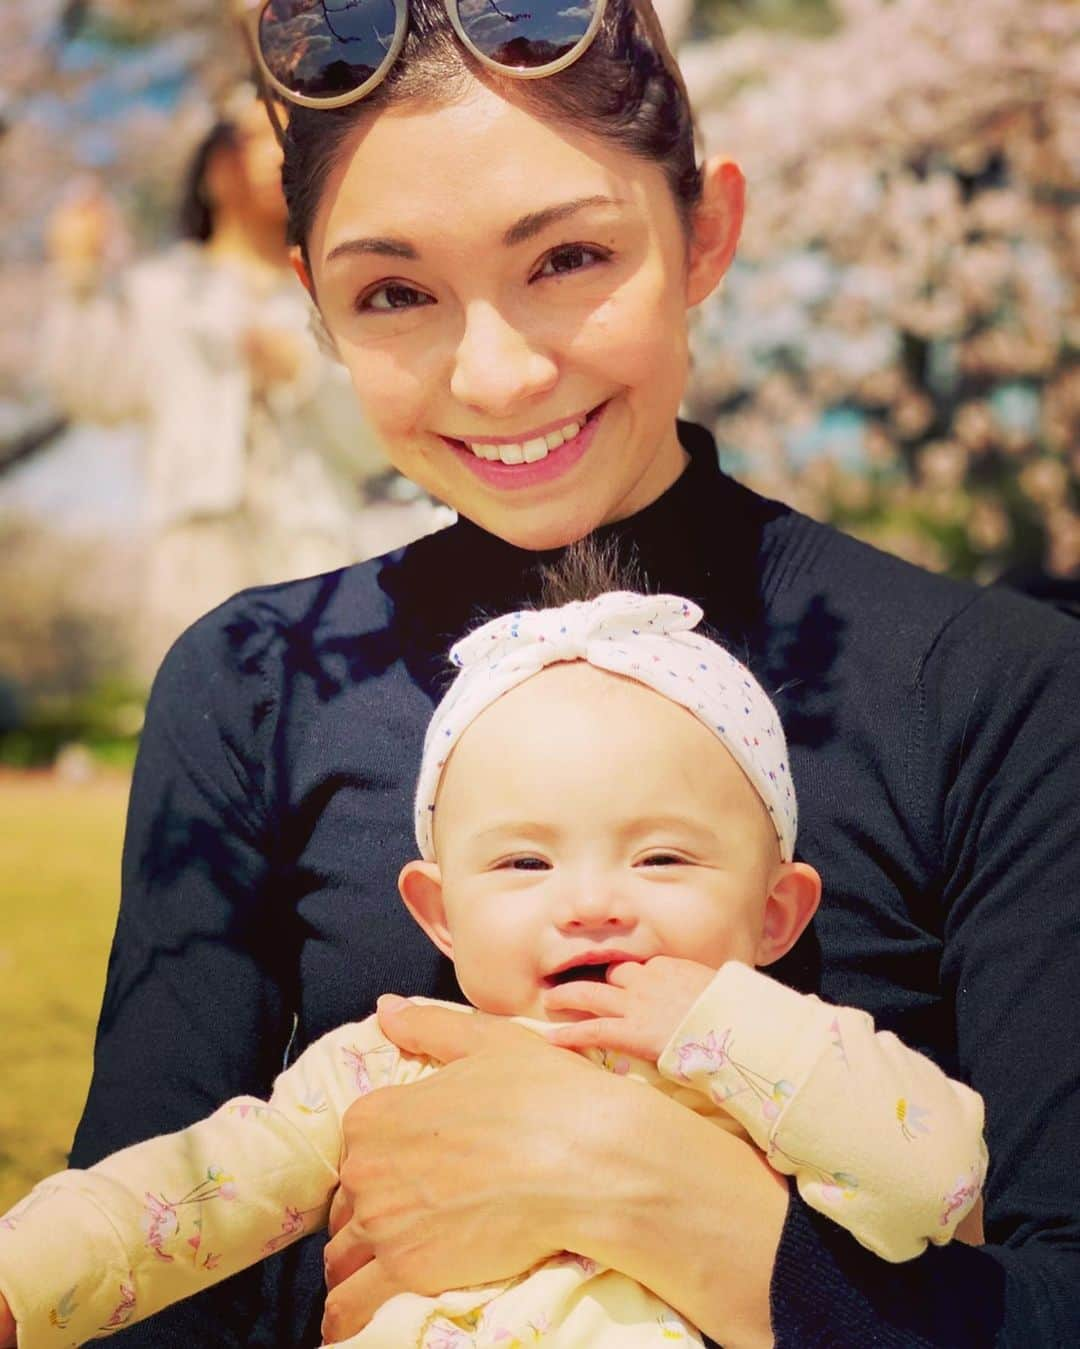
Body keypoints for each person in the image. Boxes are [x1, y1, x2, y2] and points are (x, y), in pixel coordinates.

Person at [53, 0, 1080, 1344]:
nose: (497, 373)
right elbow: (154, 1275)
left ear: (707, 231)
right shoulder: (249, 682)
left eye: (570, 257)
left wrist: (662, 1205)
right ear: (313, 300)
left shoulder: (997, 689)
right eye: (395, 293)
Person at [0, 586, 988, 1347]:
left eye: (662, 856)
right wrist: (21, 1280)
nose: (592, 900)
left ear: (777, 912)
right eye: (525, 860)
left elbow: (936, 1184)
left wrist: (731, 1030)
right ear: (439, 913)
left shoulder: (792, 1074)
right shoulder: (387, 1069)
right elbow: (188, 1193)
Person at [38, 89, 436, 678]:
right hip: (198, 555)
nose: (276, 154)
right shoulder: (164, 291)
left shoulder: (335, 289)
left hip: (322, 544)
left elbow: (375, 443)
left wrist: (302, 373)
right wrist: (77, 276)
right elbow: (93, 391)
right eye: (252, 137)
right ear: (214, 165)